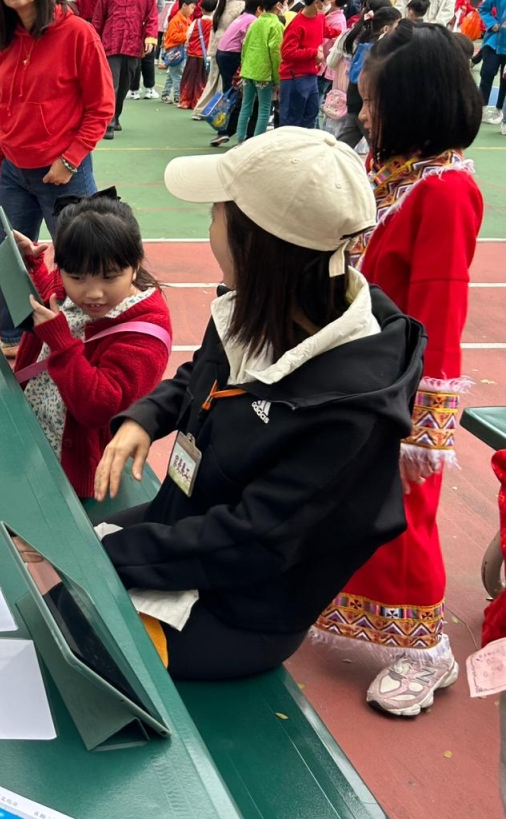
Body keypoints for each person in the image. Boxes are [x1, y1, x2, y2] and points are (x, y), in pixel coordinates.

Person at [92, 127, 425, 681]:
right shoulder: (258, 303)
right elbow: (204, 374)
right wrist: (145, 419)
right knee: (58, 563)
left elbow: (251, 541)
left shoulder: (349, 410)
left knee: (79, 631)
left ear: (255, 247)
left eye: (216, 215)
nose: (209, 228)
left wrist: (110, 556)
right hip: (185, 522)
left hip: (239, 610)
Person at [312, 23, 484, 715]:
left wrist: (425, 427)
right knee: (347, 498)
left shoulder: (443, 191)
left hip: (398, 385)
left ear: (413, 105)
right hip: (358, 369)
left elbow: (441, 311)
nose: (363, 114)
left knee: (403, 516)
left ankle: (427, 651)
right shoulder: (393, 172)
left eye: (374, 102)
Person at [0, 0, 115, 359]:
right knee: (11, 259)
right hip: (14, 174)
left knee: (82, 260)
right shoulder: (5, 41)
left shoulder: (77, 34)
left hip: (63, 174)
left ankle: (87, 338)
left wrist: (70, 160)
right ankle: (14, 339)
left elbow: (101, 107)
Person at [12, 195, 171, 499]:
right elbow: (54, 299)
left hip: (71, 464)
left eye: (110, 278)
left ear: (135, 266)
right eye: (77, 277)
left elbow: (100, 408)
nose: (93, 293)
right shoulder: (75, 282)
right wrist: (31, 264)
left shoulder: (146, 332)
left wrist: (60, 342)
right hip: (32, 428)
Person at [91, 0, 158, 140]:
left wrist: (150, 37)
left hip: (133, 44)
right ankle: (109, 122)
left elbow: (152, 16)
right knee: (110, 84)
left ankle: (116, 115)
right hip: (110, 43)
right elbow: (98, 18)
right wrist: (94, 41)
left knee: (124, 86)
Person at [326, 5, 401, 149]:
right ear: (386, 29)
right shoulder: (378, 49)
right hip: (365, 104)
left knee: (344, 142)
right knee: (377, 146)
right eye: (396, 26)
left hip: (355, 100)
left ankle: (329, 158)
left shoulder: (365, 41)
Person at [278, 0, 335, 129]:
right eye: (328, 0)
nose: (329, 4)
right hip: (294, 77)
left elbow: (324, 30)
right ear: (317, 2)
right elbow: (287, 52)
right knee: (291, 122)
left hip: (311, 75)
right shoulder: (297, 24)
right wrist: (313, 53)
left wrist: (342, 33)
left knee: (311, 114)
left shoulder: (320, 17)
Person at [233, 0, 287, 142]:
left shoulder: (255, 22)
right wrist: (277, 78)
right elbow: (276, 53)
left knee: (246, 106)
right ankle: (257, 142)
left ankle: (240, 139)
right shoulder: (276, 25)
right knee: (264, 109)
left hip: (248, 70)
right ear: (278, 5)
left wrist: (244, 66)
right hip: (264, 73)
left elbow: (245, 46)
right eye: (285, 2)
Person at [209, 0, 260, 147]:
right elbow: (246, 43)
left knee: (230, 93)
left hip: (223, 54)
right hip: (233, 56)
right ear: (259, 9)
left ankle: (223, 128)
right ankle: (228, 130)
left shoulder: (242, 16)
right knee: (238, 94)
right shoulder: (253, 20)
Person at [191, 0, 246, 115]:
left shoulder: (222, 4)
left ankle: (201, 109)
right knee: (224, 81)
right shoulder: (241, 6)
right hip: (230, 45)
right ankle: (216, 111)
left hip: (216, 42)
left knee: (213, 78)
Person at [136, 0, 166, 100]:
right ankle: (149, 88)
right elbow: (161, 5)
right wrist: (152, 15)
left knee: (134, 55)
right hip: (150, 23)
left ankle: (133, 89)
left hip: (134, 23)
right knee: (149, 56)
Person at [178, 0, 215, 110]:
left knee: (189, 79)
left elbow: (188, 35)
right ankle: (197, 102)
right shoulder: (214, 24)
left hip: (193, 55)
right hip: (206, 56)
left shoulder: (196, 22)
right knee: (202, 81)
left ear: (202, 9)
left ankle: (185, 101)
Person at [477, 0, 506, 126]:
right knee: (487, 73)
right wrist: (492, 24)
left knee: (505, 79)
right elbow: (483, 8)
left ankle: (499, 110)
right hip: (494, 41)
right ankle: (481, 109)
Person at [161, 0, 194, 105]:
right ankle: (178, 96)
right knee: (178, 74)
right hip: (174, 51)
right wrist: (187, 35)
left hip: (180, 51)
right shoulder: (176, 20)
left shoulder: (186, 20)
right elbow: (173, 36)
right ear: (184, 6)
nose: (192, 11)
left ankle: (165, 94)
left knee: (173, 74)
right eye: (192, 7)